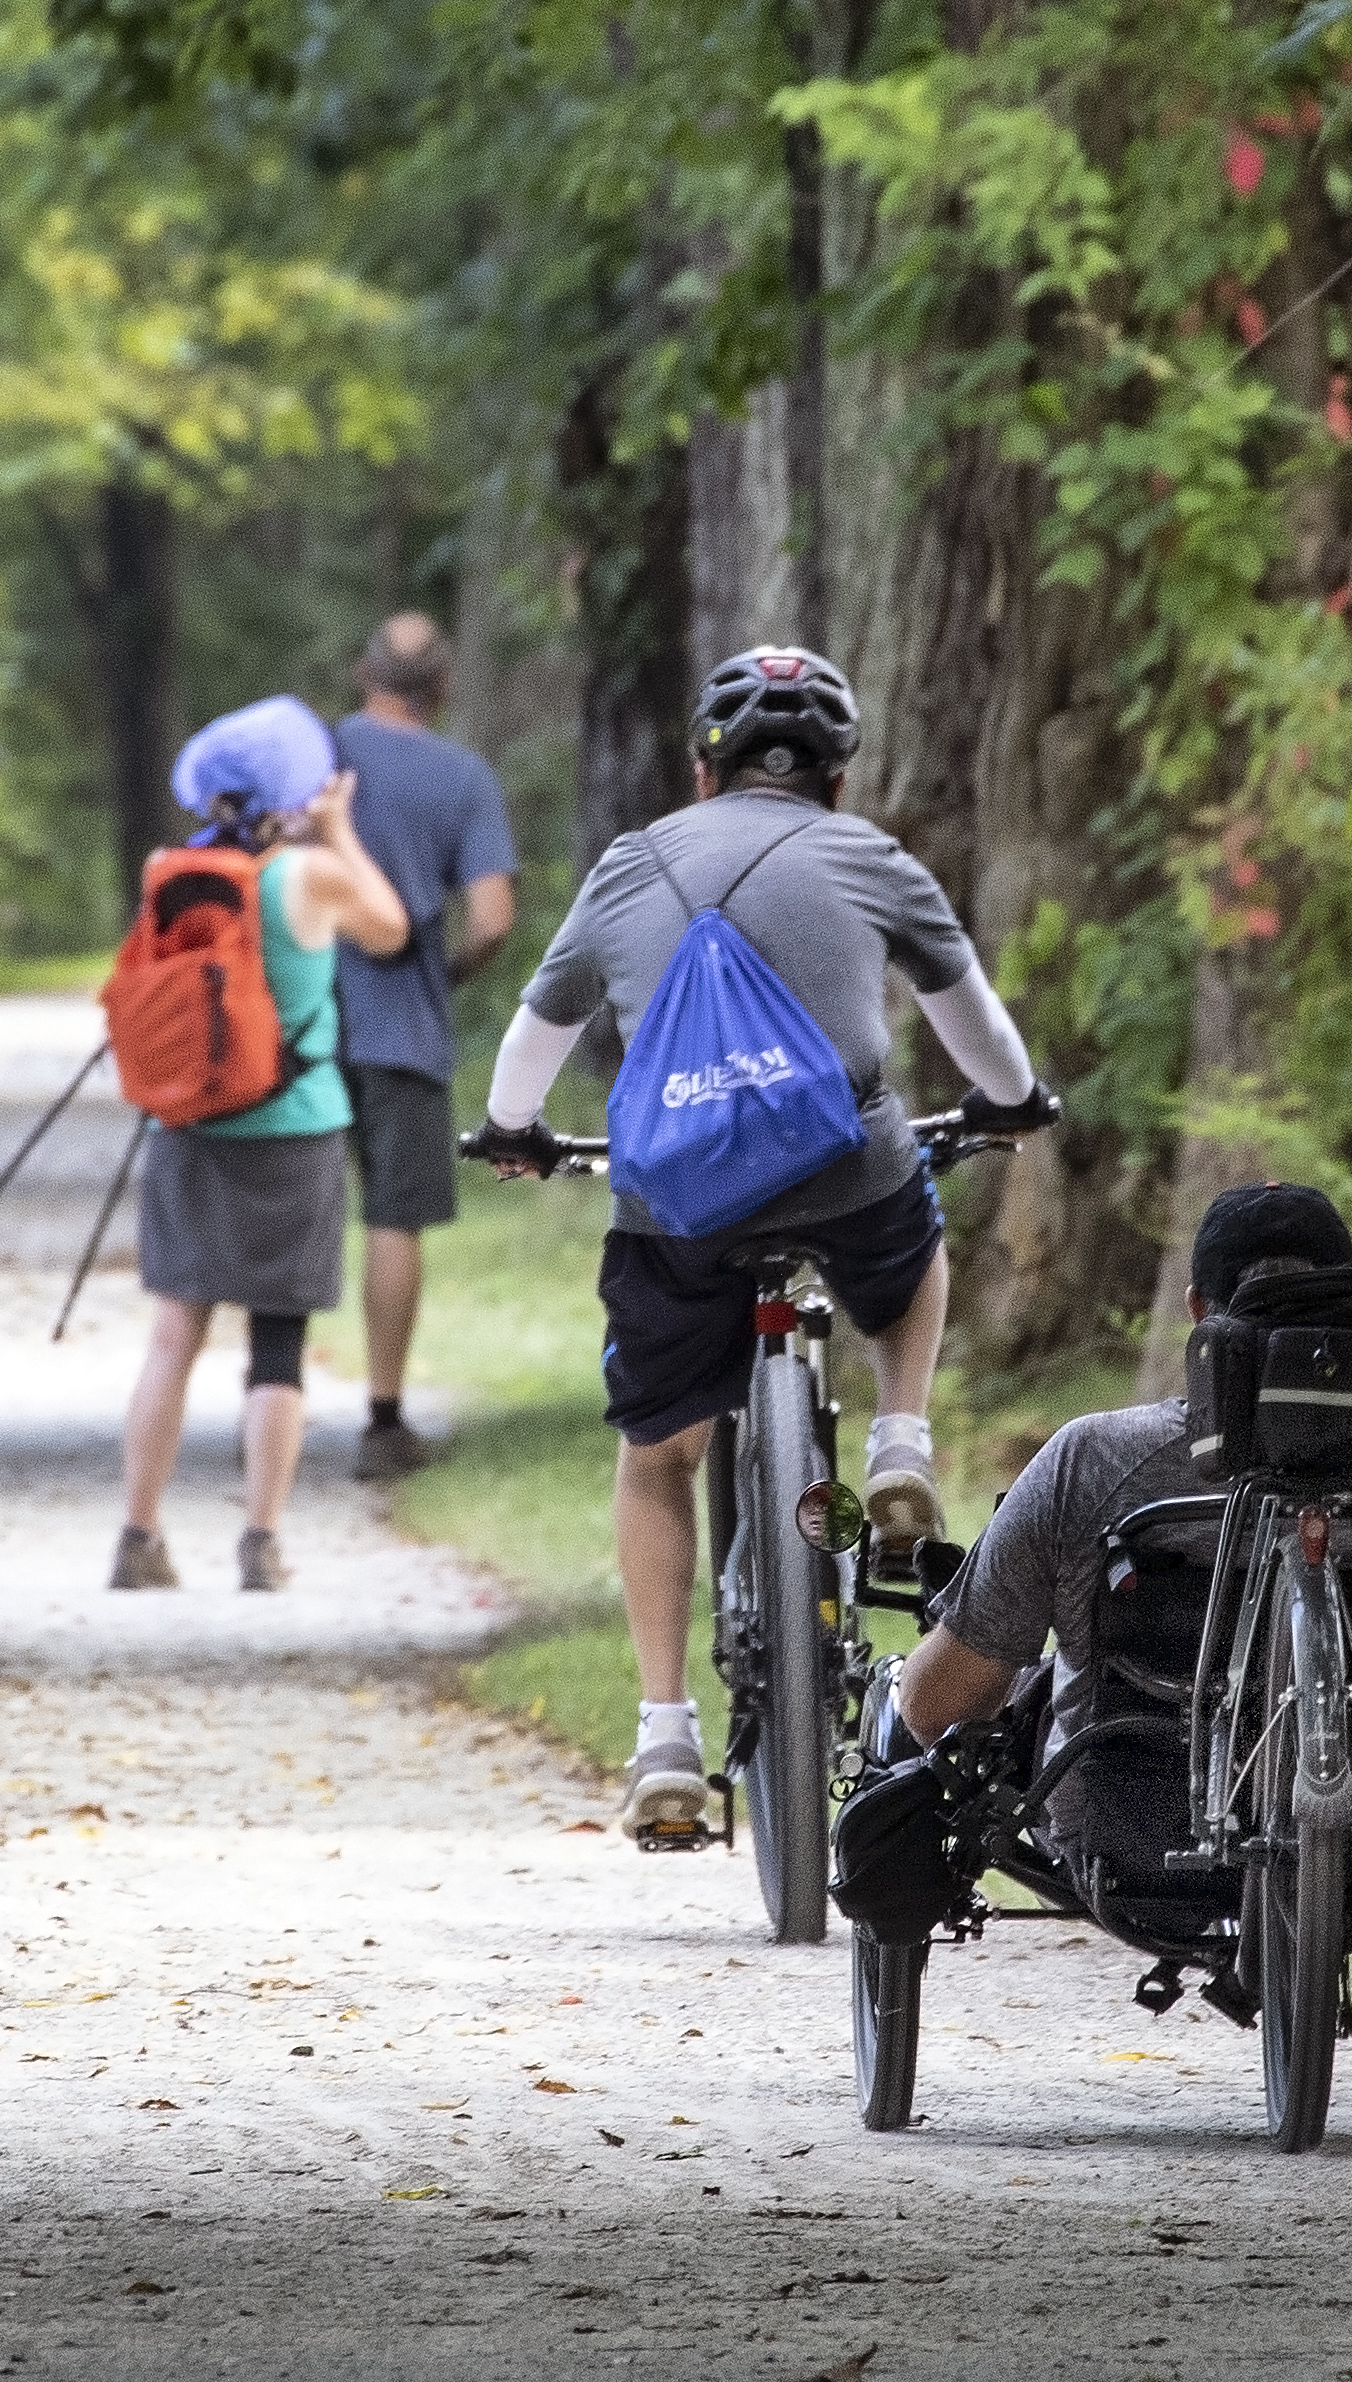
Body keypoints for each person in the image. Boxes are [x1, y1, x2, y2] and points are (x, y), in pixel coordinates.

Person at [471, 646, 1058, 1838]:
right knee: (912, 1259)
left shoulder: (632, 864)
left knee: (655, 1450)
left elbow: (535, 1040)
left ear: (702, 769)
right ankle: (898, 1441)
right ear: (839, 779)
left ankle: (664, 1735)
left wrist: (512, 1133)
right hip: (849, 1180)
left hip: (678, 1203)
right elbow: (977, 1032)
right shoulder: (871, 857)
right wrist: (1011, 1104)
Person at [894, 1182, 1352, 1934]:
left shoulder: (1090, 1462)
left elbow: (935, 1708)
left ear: (1197, 1313)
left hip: (1126, 1844)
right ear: (1350, 1306)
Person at [114, 698, 409, 1596]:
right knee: (276, 1345)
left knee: (173, 1337)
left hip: (189, 1124)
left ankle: (139, 1534)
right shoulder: (312, 876)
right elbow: (391, 930)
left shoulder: (169, 868)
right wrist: (342, 829)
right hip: (295, 1130)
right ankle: (261, 1540)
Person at [328, 613, 519, 1484]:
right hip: (402, 1029)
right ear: (442, 687)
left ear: (362, 673)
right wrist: (440, 974)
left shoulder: (313, 758)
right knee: (392, 1220)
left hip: (296, 1026)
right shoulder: (464, 779)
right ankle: (382, 1418)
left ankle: (267, 1398)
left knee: (285, 1202)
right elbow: (493, 920)